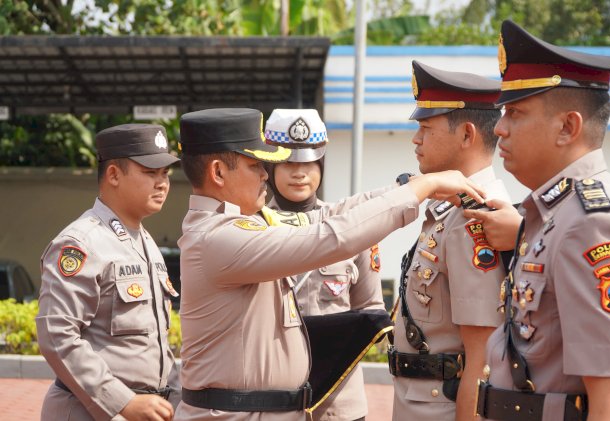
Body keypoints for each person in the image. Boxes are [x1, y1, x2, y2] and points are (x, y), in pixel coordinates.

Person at [174, 107, 485, 421]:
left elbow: (330, 215)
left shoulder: (231, 229)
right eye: (255, 165)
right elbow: (331, 236)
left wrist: (408, 187)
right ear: (217, 172)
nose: (265, 175)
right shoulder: (220, 237)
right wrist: (422, 188)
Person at [467, 20, 610, 421]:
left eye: (516, 112)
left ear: (568, 127)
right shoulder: (554, 215)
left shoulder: (592, 225)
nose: (500, 128)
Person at [388, 61, 511, 421]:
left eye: (426, 128)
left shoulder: (472, 218)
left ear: (467, 135)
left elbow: (482, 355)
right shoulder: (450, 211)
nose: (416, 139)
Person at [36, 124, 181, 421]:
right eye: (150, 172)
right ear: (114, 174)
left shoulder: (146, 243)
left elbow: (155, 342)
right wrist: (122, 402)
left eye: (165, 174)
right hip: (89, 410)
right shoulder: (81, 243)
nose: (162, 183)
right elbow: (56, 334)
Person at [264, 108, 383, 421]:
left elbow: (369, 308)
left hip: (339, 405)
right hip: (270, 398)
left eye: (309, 162)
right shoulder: (250, 229)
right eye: (288, 162)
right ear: (269, 166)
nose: (300, 172)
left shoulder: (352, 226)